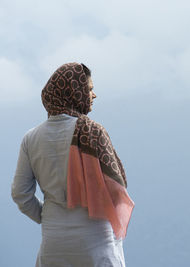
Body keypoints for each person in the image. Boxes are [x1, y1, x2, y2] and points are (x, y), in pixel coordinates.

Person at [11, 62, 135, 267]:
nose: (93, 95)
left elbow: (20, 194)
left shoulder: (31, 138)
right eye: (89, 89)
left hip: (54, 243)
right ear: (74, 92)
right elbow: (117, 190)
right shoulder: (93, 132)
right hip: (96, 242)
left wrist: (49, 217)